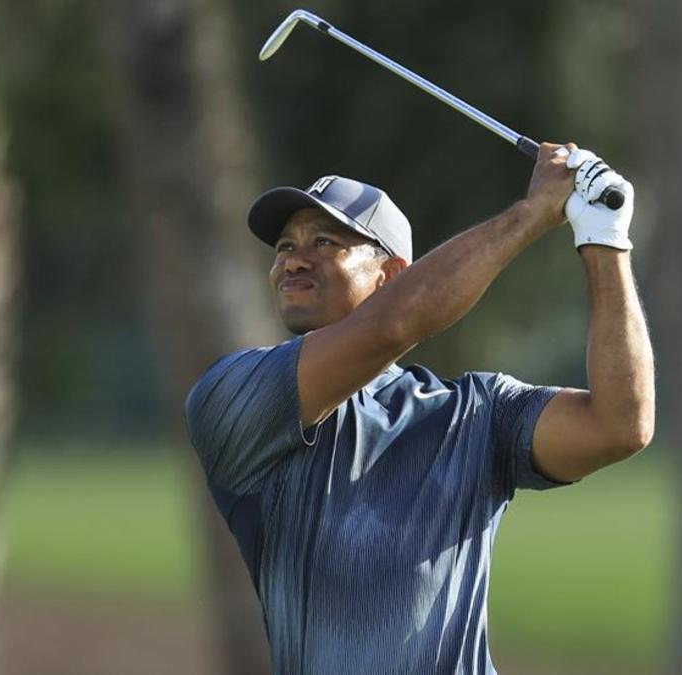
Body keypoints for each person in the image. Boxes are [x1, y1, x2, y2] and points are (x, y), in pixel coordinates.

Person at [185, 143, 655, 674]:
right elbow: (392, 326)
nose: (292, 259)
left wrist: (604, 241)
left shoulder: (476, 414)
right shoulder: (236, 394)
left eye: (325, 242)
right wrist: (532, 213)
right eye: (284, 247)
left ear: (391, 274)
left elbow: (621, 425)